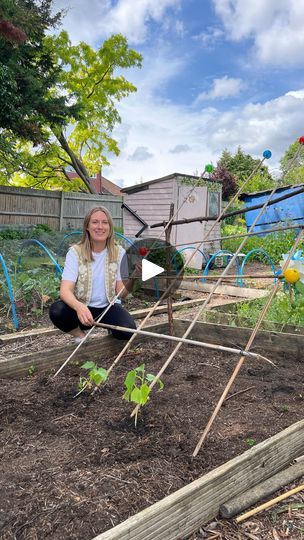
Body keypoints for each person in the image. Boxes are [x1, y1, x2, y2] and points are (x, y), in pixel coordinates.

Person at [49, 206, 137, 342]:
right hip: (82, 307)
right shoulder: (75, 253)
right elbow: (65, 291)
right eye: (95, 222)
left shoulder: (119, 253)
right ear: (87, 227)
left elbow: (121, 293)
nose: (100, 226)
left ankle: (110, 328)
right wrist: (79, 307)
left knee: (127, 331)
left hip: (108, 307)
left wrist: (134, 277)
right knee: (57, 311)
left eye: (105, 222)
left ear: (110, 228)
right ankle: (80, 336)